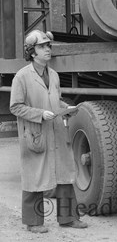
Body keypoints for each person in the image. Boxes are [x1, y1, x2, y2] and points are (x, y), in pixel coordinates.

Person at [9, 29, 88, 233]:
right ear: (32, 52)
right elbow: (15, 106)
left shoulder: (53, 75)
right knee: (34, 177)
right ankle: (34, 223)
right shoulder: (22, 77)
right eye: (42, 46)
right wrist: (39, 114)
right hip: (36, 133)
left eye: (48, 46)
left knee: (65, 173)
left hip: (56, 130)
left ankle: (69, 218)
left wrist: (65, 108)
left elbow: (54, 99)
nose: (47, 49)